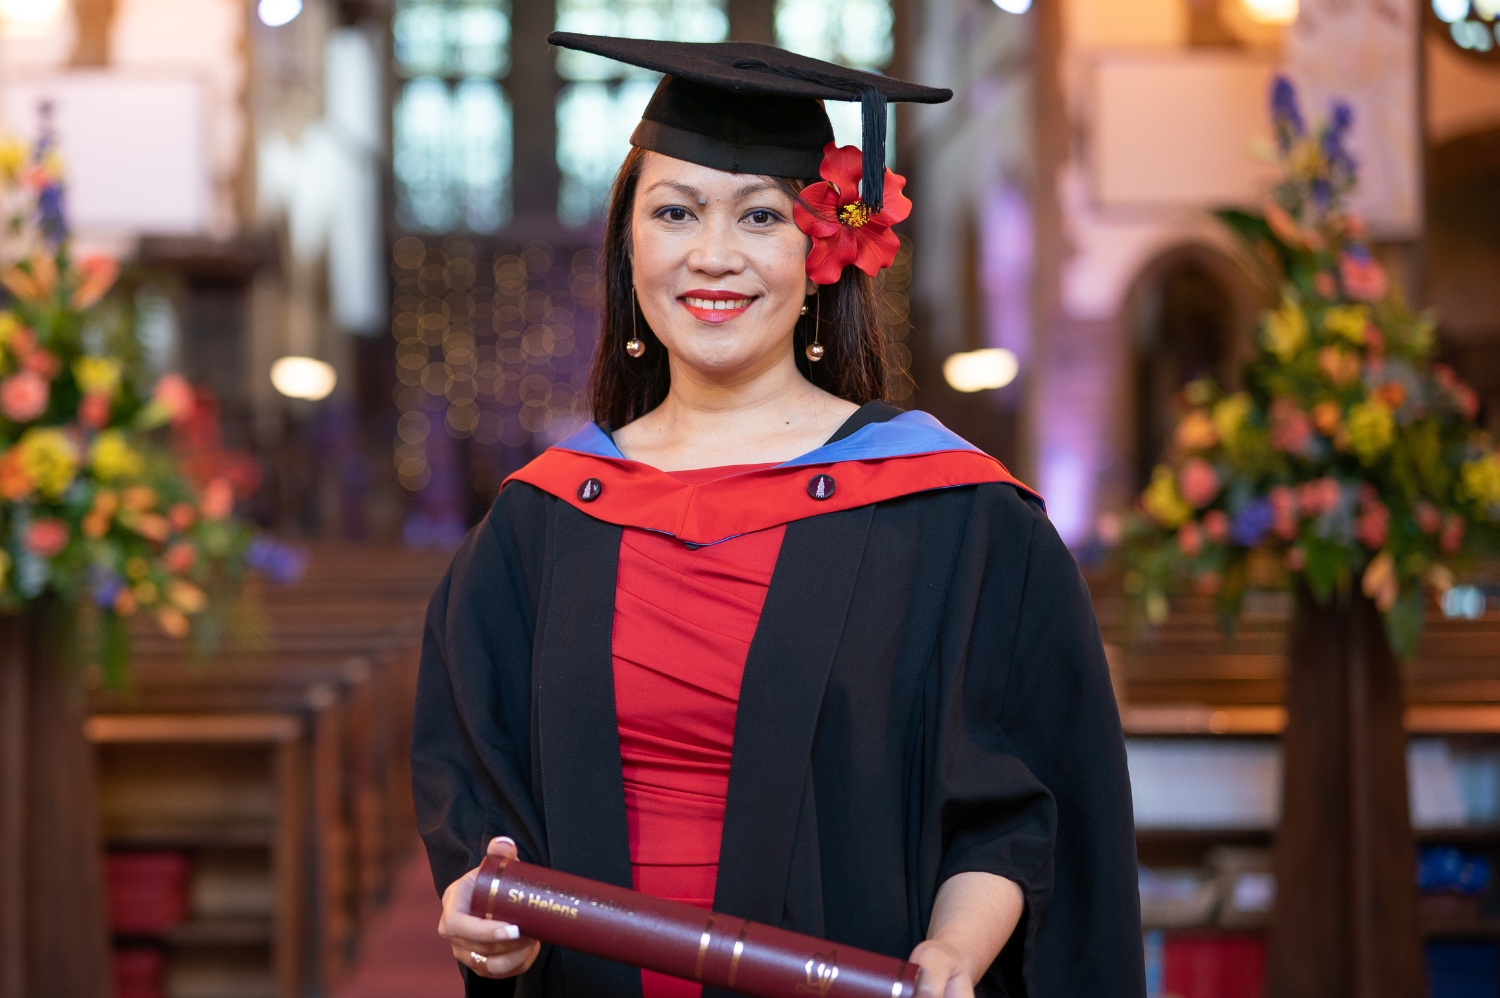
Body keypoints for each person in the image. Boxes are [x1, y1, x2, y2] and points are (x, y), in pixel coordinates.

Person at [413, 33, 1143, 998]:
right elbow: (479, 809)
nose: (712, 255)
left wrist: (957, 954)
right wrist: (480, 907)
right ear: (629, 242)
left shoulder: (955, 518)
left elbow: (1023, 808)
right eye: (675, 211)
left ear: (823, 251)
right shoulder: (536, 529)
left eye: (760, 215)